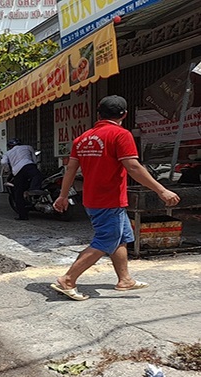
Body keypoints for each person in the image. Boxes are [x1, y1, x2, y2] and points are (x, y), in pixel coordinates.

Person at [51, 95, 180, 301]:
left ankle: (125, 280)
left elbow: (70, 170)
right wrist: (161, 190)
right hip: (108, 200)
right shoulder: (120, 134)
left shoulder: (81, 139)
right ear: (124, 115)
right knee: (106, 239)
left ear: (98, 113)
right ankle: (68, 279)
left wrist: (63, 195)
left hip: (94, 198)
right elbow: (133, 167)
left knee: (121, 238)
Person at [1, 138, 44, 220]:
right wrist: (33, 165)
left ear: (10, 146)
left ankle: (23, 216)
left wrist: (7, 170)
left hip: (17, 172)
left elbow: (3, 162)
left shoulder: (8, 153)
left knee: (18, 194)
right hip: (29, 166)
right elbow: (34, 159)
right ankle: (34, 190)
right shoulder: (28, 147)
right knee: (37, 176)